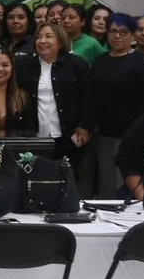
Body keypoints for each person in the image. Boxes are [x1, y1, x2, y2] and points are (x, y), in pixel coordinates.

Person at [17, 23, 98, 193]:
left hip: (68, 134)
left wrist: (85, 125)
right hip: (36, 135)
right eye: (39, 37)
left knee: (68, 179)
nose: (42, 41)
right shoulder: (24, 66)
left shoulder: (77, 65)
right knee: (37, 180)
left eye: (48, 36)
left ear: (60, 41)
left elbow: (89, 97)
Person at [90, 14, 144, 196]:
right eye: (113, 31)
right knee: (106, 183)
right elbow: (92, 96)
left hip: (132, 133)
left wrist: (138, 128)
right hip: (104, 134)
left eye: (123, 32)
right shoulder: (100, 61)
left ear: (132, 35)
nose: (117, 36)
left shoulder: (142, 61)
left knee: (127, 182)